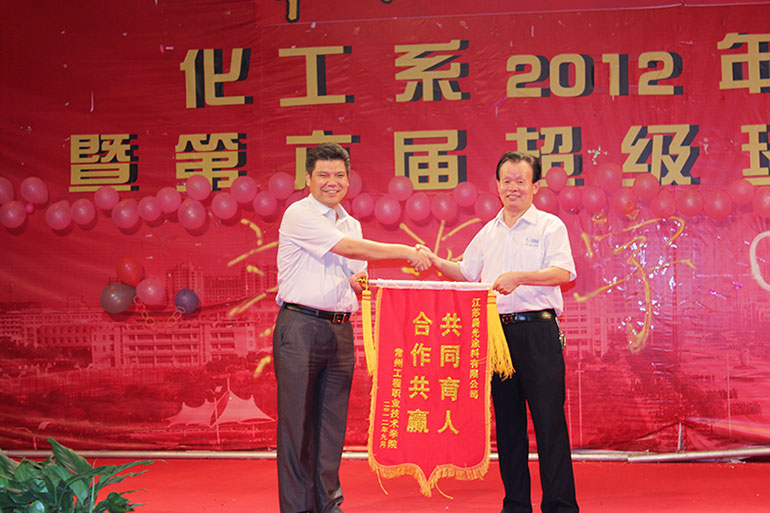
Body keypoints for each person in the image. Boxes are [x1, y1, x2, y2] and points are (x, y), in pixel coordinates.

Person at [418, 151, 579, 513]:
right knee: (508, 425)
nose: (513, 188)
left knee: (549, 422)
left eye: (521, 181)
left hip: (537, 331)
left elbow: (563, 272)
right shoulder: (488, 231)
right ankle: (516, 505)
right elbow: (465, 272)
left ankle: (560, 506)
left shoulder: (549, 226)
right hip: (496, 336)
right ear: (497, 185)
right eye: (507, 181)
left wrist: (519, 276)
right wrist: (435, 261)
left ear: (535, 187)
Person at [273, 142, 430, 513]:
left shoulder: (351, 223)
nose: (332, 182)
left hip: (340, 330)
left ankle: (329, 504)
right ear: (308, 178)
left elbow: (355, 276)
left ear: (348, 179)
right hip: (300, 327)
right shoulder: (299, 214)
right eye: (324, 175)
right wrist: (408, 252)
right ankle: (297, 509)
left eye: (339, 175)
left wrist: (364, 285)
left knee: (330, 425)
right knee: (297, 426)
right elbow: (351, 250)